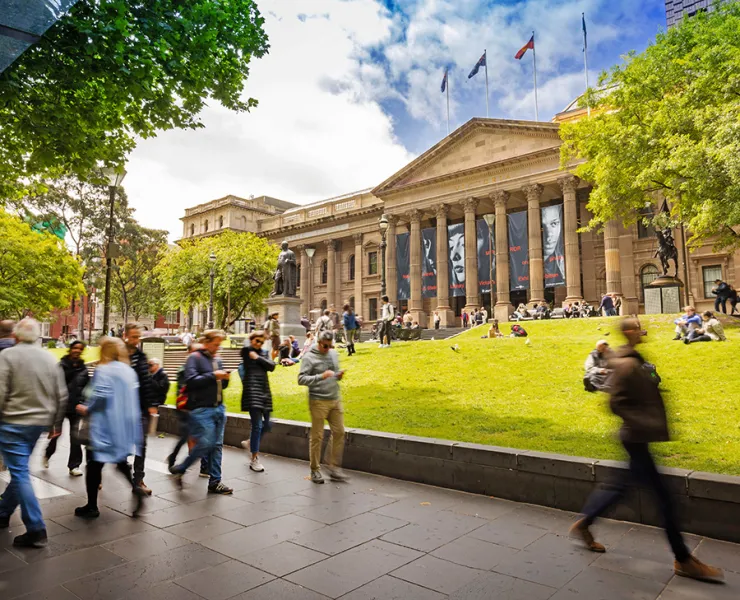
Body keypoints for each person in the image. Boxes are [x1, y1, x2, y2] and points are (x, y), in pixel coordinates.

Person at [570, 318, 723, 583]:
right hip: (636, 437)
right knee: (665, 500)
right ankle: (683, 559)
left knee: (621, 488)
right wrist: (643, 422)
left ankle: (585, 523)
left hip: (639, 437)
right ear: (629, 332)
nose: (643, 330)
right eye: (638, 327)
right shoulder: (625, 362)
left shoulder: (635, 358)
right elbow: (615, 403)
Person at [0, 319, 67, 548]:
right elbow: (62, 395)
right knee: (20, 470)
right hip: (38, 424)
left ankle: (36, 528)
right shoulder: (49, 358)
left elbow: (0, 392)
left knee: (19, 473)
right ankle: (3, 511)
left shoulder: (7, 356)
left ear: (16, 336)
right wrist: (56, 424)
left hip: (13, 423)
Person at [74, 337, 147, 520]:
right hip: (122, 426)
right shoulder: (128, 371)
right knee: (121, 462)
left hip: (104, 426)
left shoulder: (103, 370)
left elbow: (101, 396)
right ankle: (135, 487)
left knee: (93, 466)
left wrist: (86, 408)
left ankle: (92, 506)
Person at [169, 330, 233, 494]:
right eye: (215, 344)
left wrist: (225, 379)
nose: (218, 348)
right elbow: (191, 381)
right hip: (201, 410)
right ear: (207, 342)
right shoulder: (194, 358)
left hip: (219, 407)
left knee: (217, 445)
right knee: (207, 443)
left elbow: (221, 386)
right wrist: (213, 375)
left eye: (220, 345)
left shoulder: (217, 360)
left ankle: (215, 482)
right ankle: (181, 468)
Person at [298, 331, 347, 484]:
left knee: (339, 432)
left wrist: (338, 375)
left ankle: (333, 467)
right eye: (325, 346)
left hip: (335, 399)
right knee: (317, 436)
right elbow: (301, 379)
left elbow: (334, 372)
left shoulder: (333, 354)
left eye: (330, 345)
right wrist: (321, 376)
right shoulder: (309, 357)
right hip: (318, 401)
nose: (327, 349)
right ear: (318, 343)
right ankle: (315, 470)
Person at [44, 340, 89, 476]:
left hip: (76, 407)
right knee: (56, 434)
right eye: (75, 348)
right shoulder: (61, 366)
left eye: (80, 349)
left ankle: (74, 466)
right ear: (70, 349)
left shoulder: (83, 368)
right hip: (61, 405)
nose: (77, 351)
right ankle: (47, 454)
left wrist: (84, 402)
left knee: (75, 438)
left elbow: (87, 388)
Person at [123, 323, 156, 495]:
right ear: (125, 336)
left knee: (141, 445)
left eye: (138, 337)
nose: (136, 340)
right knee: (118, 446)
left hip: (139, 408)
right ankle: (98, 474)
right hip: (121, 409)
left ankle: (139, 480)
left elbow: (146, 383)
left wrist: (150, 405)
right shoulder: (118, 355)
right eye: (133, 336)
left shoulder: (141, 357)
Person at [239, 331, 275, 473]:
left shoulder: (263, 353)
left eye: (261, 342)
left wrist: (258, 357)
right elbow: (244, 350)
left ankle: (249, 442)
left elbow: (272, 366)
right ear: (251, 340)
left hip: (264, 391)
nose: (258, 344)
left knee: (268, 424)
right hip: (252, 393)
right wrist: (251, 347)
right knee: (257, 425)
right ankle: (254, 458)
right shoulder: (247, 352)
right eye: (256, 341)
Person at [167, 343, 204, 470]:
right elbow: (183, 390)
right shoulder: (184, 369)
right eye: (195, 351)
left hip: (195, 406)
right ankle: (176, 458)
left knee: (191, 435)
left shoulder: (198, 368)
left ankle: (179, 457)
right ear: (189, 353)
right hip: (185, 408)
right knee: (186, 435)